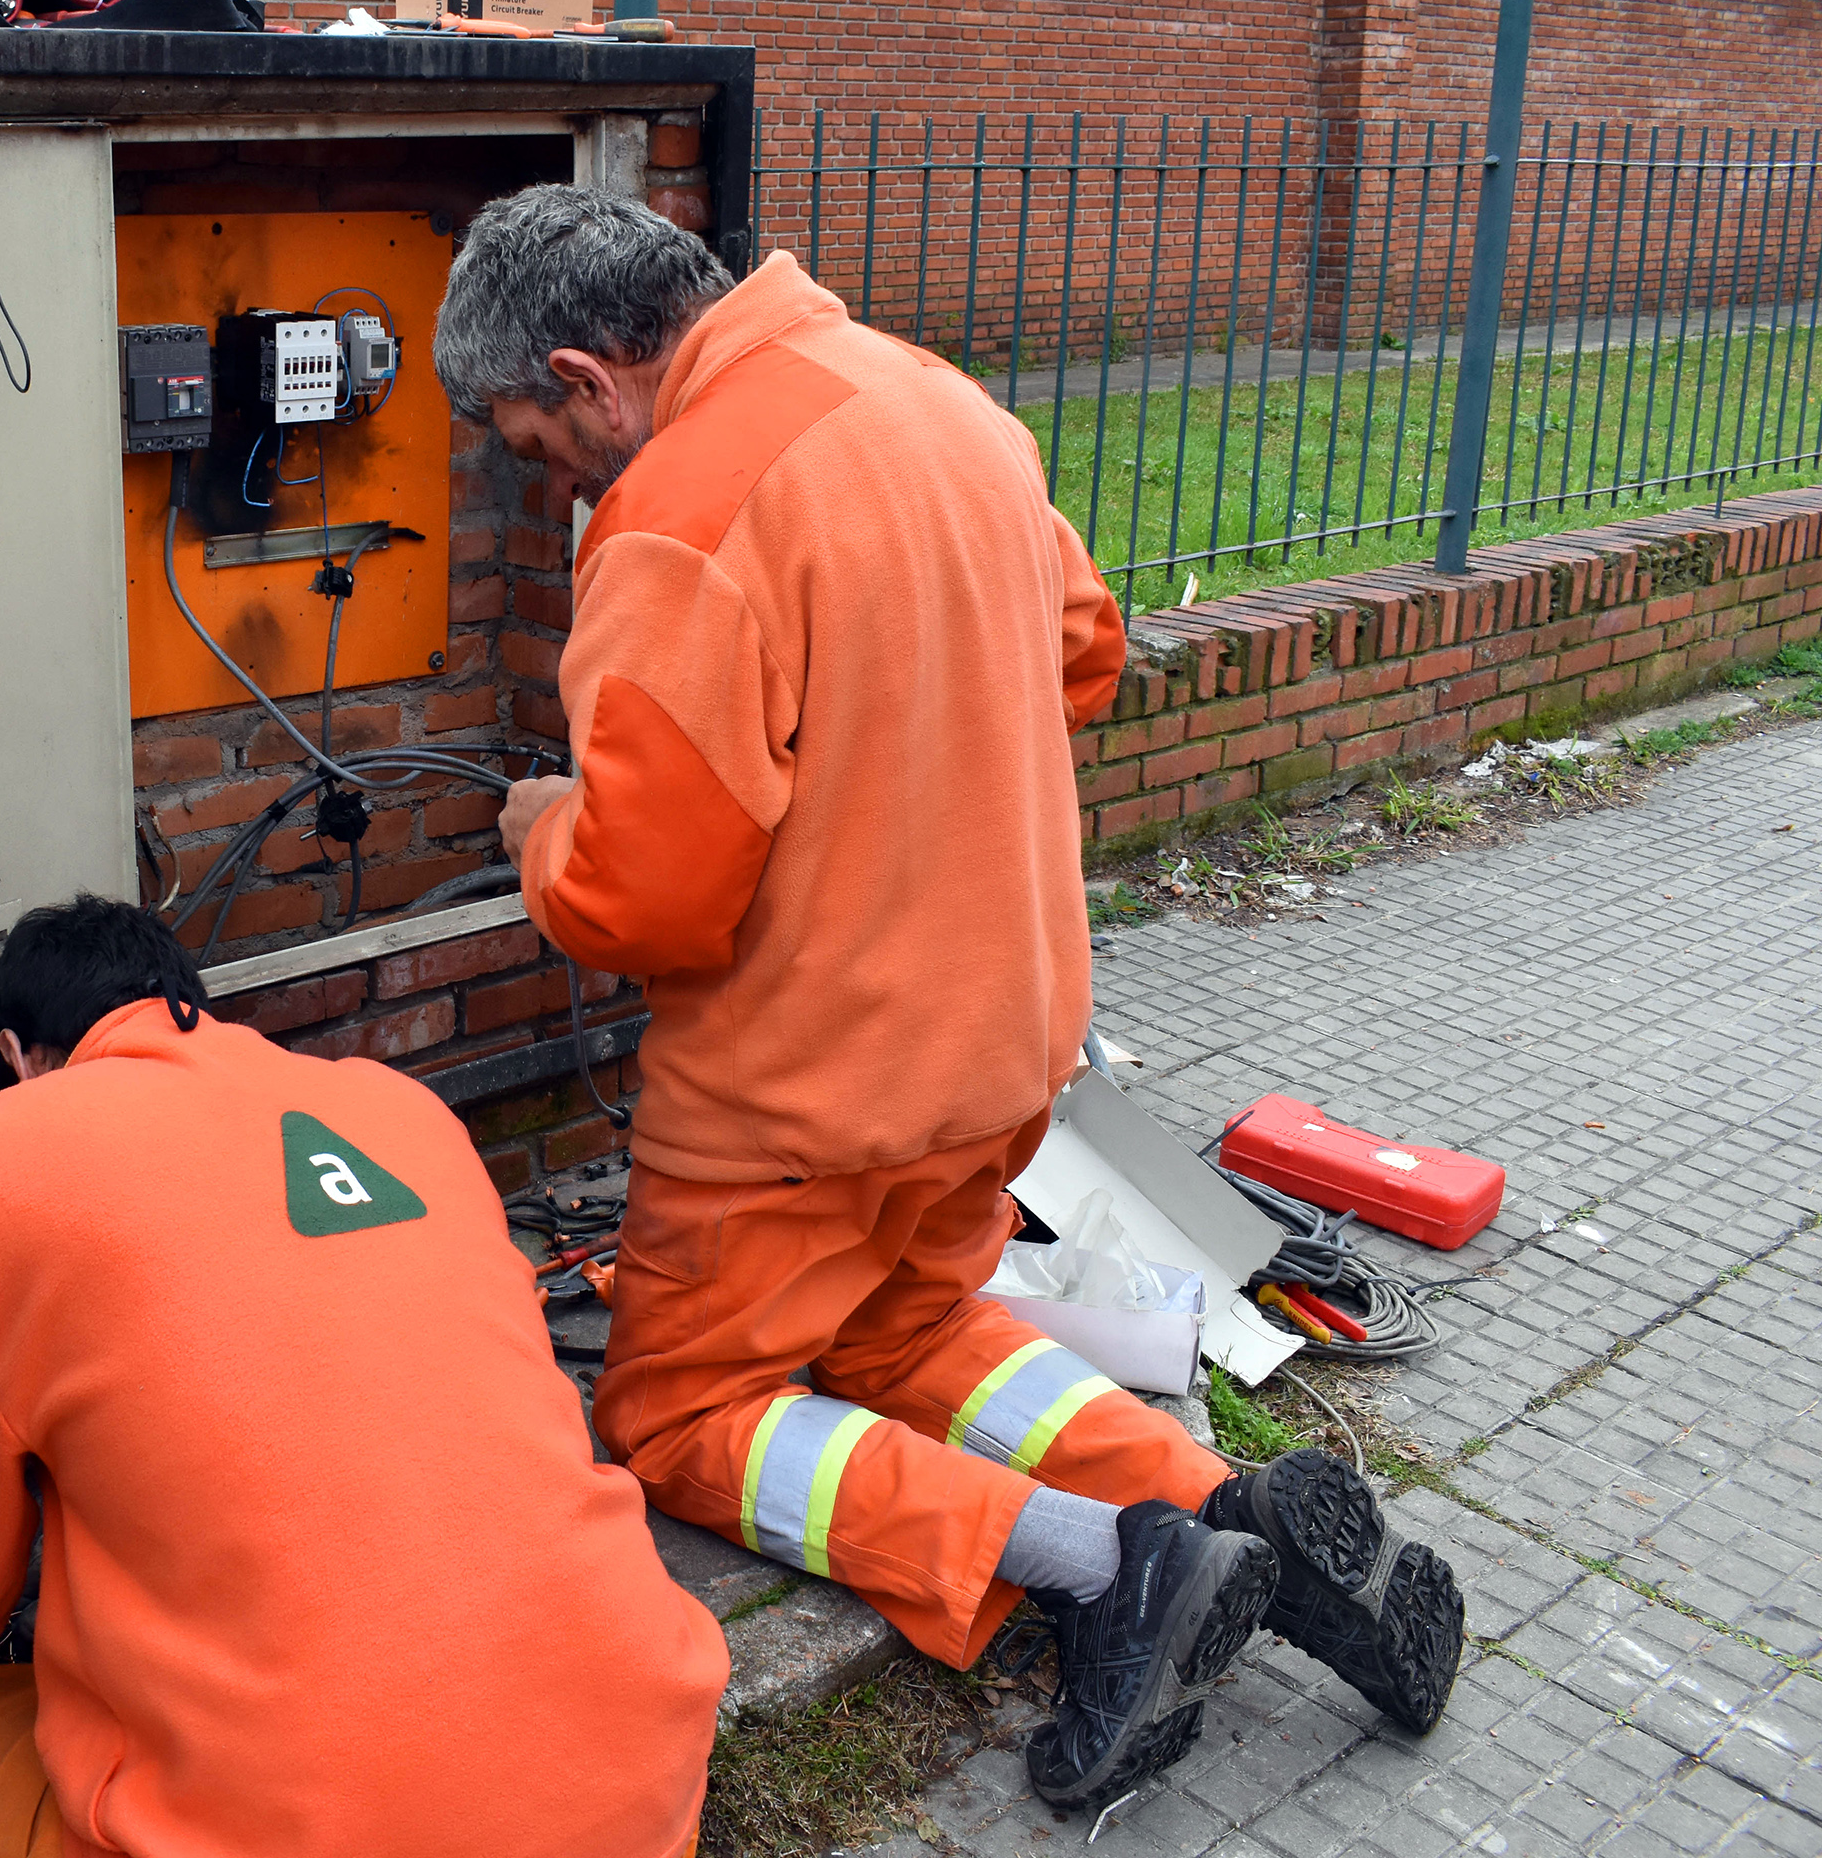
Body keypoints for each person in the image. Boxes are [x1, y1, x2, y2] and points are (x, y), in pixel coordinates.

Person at [432, 185, 1465, 1803]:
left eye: (535, 443)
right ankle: (1215, 1511)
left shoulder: (679, 514)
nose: (554, 482)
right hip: (1002, 1048)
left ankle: (1103, 1568)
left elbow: (647, 901)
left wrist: (541, 825)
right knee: (911, 1332)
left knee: (683, 1415)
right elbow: (1082, 649)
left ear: (589, 376)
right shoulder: (939, 406)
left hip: (801, 1096)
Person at [0, 894, 727, 1858]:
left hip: (286, 1832)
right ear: (184, 1000)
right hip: (634, 1787)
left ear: (13, 1056)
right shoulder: (399, 1110)